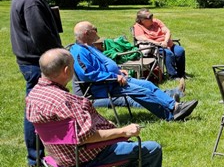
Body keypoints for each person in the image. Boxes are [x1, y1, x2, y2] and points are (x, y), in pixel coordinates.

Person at [25, 49, 197, 167]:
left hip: (60, 155)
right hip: (85, 155)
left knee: (129, 149)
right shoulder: (65, 101)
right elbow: (86, 136)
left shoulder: (34, 94)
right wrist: (123, 131)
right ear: (65, 71)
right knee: (150, 149)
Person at [70, 22, 198, 122]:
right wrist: (114, 76)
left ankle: (175, 105)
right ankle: (171, 115)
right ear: (87, 33)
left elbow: (102, 65)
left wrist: (119, 70)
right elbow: (87, 74)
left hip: (116, 79)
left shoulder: (89, 46)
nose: (97, 31)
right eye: (95, 29)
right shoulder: (78, 52)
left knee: (148, 85)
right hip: (103, 85)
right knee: (143, 91)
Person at [10, 0, 63, 167]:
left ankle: (41, 153)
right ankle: (35, 157)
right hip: (35, 62)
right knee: (35, 109)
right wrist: (57, 57)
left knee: (37, 107)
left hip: (32, 60)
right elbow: (40, 34)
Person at [132, 9, 186, 86]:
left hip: (167, 43)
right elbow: (143, 38)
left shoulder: (156, 22)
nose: (152, 19)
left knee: (180, 51)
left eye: (152, 16)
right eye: (149, 17)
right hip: (154, 47)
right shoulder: (137, 27)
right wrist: (158, 43)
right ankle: (173, 75)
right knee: (168, 53)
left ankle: (181, 74)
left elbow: (167, 31)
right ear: (142, 20)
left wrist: (166, 41)